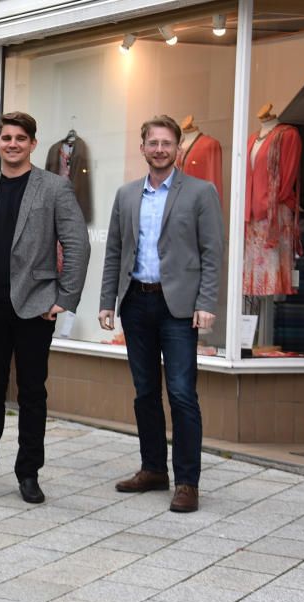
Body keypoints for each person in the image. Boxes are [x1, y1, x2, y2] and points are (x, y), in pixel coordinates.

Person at [0, 112, 89, 504]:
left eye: (20, 138)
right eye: (6, 138)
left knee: (32, 393)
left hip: (35, 307)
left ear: (33, 144)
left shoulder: (55, 188)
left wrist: (64, 298)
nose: (13, 144)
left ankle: (28, 475)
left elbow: (77, 244)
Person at [99, 115, 223, 513]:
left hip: (179, 309)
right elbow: (114, 251)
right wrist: (107, 301)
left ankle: (187, 482)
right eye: (152, 143)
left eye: (166, 143)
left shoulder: (201, 192)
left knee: (182, 393)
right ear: (143, 148)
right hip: (136, 302)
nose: (159, 149)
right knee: (145, 392)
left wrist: (206, 303)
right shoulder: (127, 195)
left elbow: (212, 252)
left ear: (178, 148)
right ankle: (153, 469)